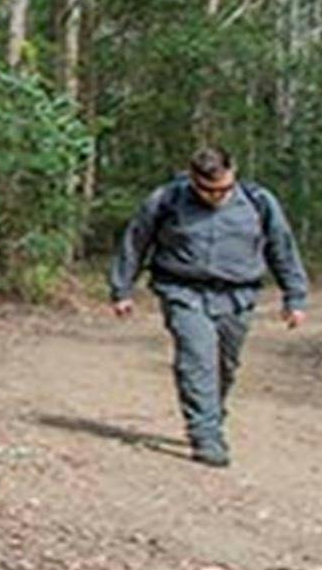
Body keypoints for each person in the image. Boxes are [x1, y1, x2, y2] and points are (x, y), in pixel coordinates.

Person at [109, 145, 307, 467]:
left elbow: (282, 247)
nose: (217, 196)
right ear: (193, 180)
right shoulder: (167, 199)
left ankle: (211, 412)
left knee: (224, 365)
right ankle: (206, 436)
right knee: (196, 358)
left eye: (224, 189)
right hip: (182, 290)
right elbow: (135, 241)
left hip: (237, 296)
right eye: (208, 190)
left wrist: (294, 297)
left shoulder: (258, 202)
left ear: (234, 174)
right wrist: (121, 289)